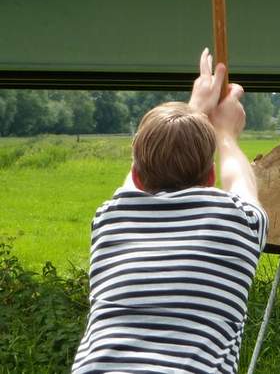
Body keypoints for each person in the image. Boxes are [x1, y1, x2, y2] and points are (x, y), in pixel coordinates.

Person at [72, 48, 268, 374]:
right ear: (209, 178)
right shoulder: (238, 224)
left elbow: (131, 186)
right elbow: (240, 180)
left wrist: (193, 109)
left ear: (136, 175)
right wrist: (225, 133)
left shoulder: (108, 220)